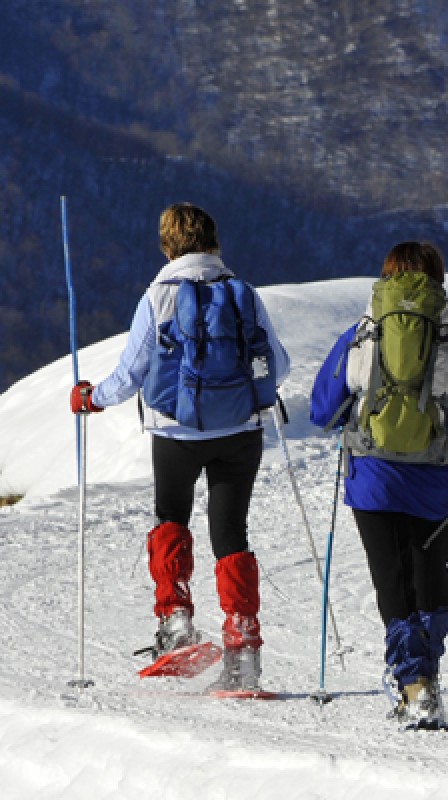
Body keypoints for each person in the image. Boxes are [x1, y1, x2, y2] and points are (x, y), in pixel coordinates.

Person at [68, 202, 291, 693]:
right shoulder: (244, 294)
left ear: (167, 245)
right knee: (232, 533)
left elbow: (130, 374)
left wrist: (91, 399)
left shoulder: (159, 296)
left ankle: (176, 625)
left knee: (171, 519)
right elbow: (279, 363)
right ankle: (244, 652)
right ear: (214, 240)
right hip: (239, 431)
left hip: (177, 432)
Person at [309, 241, 448, 730]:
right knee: (428, 572)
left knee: (390, 579)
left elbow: (320, 411)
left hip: (372, 478)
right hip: (438, 479)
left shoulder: (360, 337)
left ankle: (415, 687)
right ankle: (426, 677)